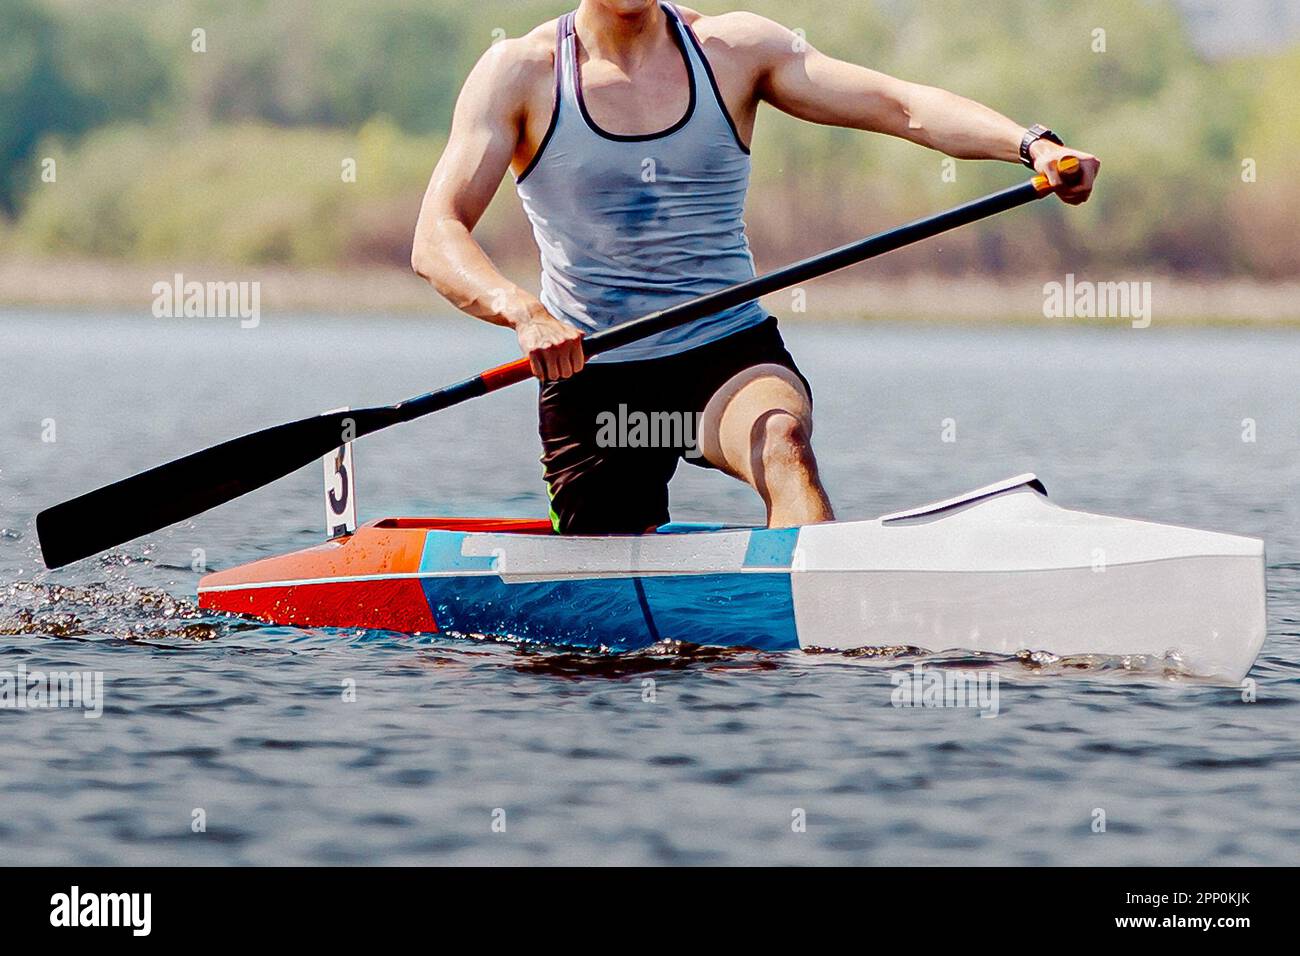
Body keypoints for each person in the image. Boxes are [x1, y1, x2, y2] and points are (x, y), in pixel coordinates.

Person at [411, 0, 1099, 534]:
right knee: (598, 665)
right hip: (595, 374)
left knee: (782, 441)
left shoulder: (737, 52)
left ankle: (822, 643)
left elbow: (901, 105)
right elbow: (437, 235)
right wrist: (523, 312)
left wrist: (1031, 144)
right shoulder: (519, 73)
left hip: (725, 355)